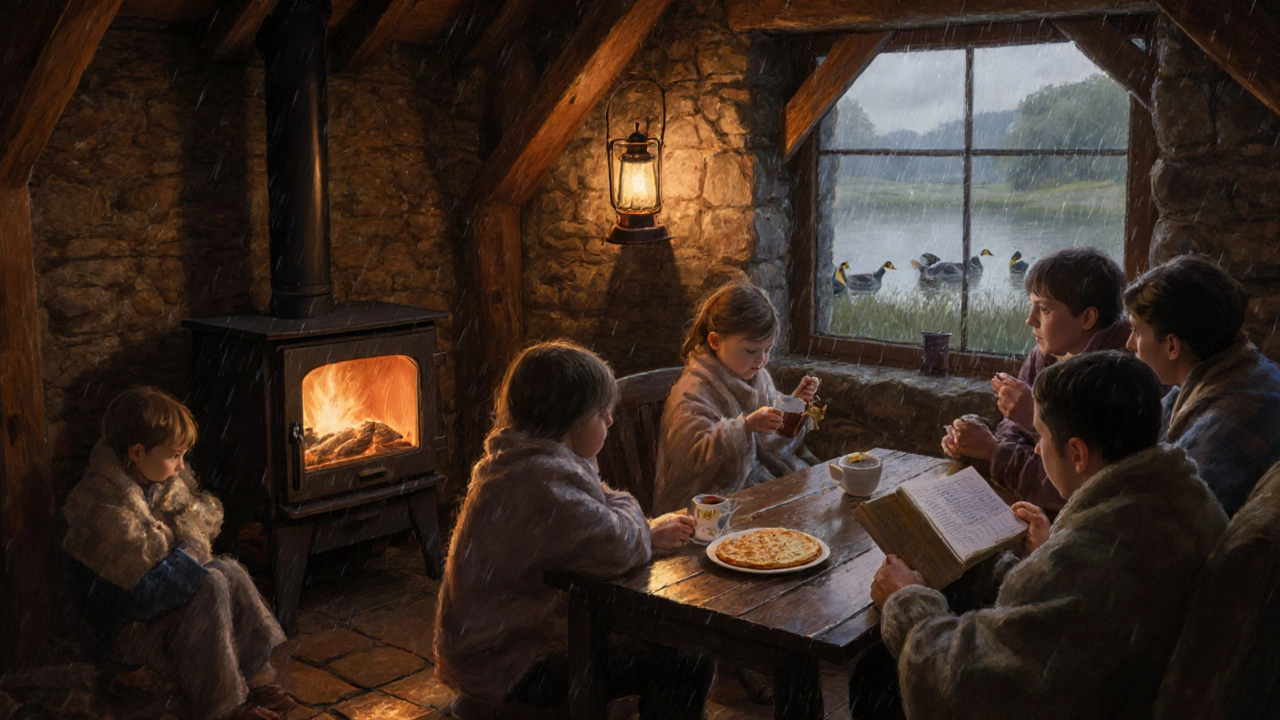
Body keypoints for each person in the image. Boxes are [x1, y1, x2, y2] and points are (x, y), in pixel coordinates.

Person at [871, 351, 1227, 719]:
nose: (1037, 448)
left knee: (876, 671)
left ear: (1077, 454)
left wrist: (906, 603)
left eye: (1040, 435)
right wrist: (1047, 549)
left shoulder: (1090, 556)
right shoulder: (1180, 497)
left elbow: (967, 688)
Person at [434, 341, 711, 718]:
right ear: (569, 421)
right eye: (601, 414)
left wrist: (627, 521)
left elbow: (600, 514)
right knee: (686, 659)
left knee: (659, 639)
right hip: (514, 666)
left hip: (487, 652)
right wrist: (640, 527)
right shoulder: (542, 482)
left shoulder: (520, 460)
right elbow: (615, 542)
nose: (610, 422)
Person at [63, 387, 289, 720]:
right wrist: (191, 550)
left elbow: (195, 521)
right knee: (210, 582)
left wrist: (189, 549)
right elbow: (149, 597)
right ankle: (225, 706)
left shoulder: (159, 481)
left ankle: (254, 672)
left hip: (162, 612)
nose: (182, 467)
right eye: (174, 455)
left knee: (228, 568)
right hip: (128, 636)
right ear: (137, 452)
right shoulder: (104, 506)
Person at [942, 247, 1130, 514]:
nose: (1030, 319)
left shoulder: (1117, 379)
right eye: (1032, 306)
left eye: (1043, 309)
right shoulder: (1044, 356)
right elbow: (1011, 433)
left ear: (1088, 317)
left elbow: (1076, 491)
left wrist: (1001, 447)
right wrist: (974, 441)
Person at [1124, 254, 1280, 516]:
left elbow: (1168, 527)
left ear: (1172, 346)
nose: (1129, 344)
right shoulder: (1242, 372)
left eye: (1137, 331)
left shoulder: (1220, 433)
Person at [654, 281, 820, 515]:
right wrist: (745, 427)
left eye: (768, 349)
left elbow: (771, 444)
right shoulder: (692, 391)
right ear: (714, 341)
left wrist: (793, 406)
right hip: (707, 507)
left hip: (754, 490)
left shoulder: (758, 378)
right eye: (751, 351)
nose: (761, 360)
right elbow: (692, 463)